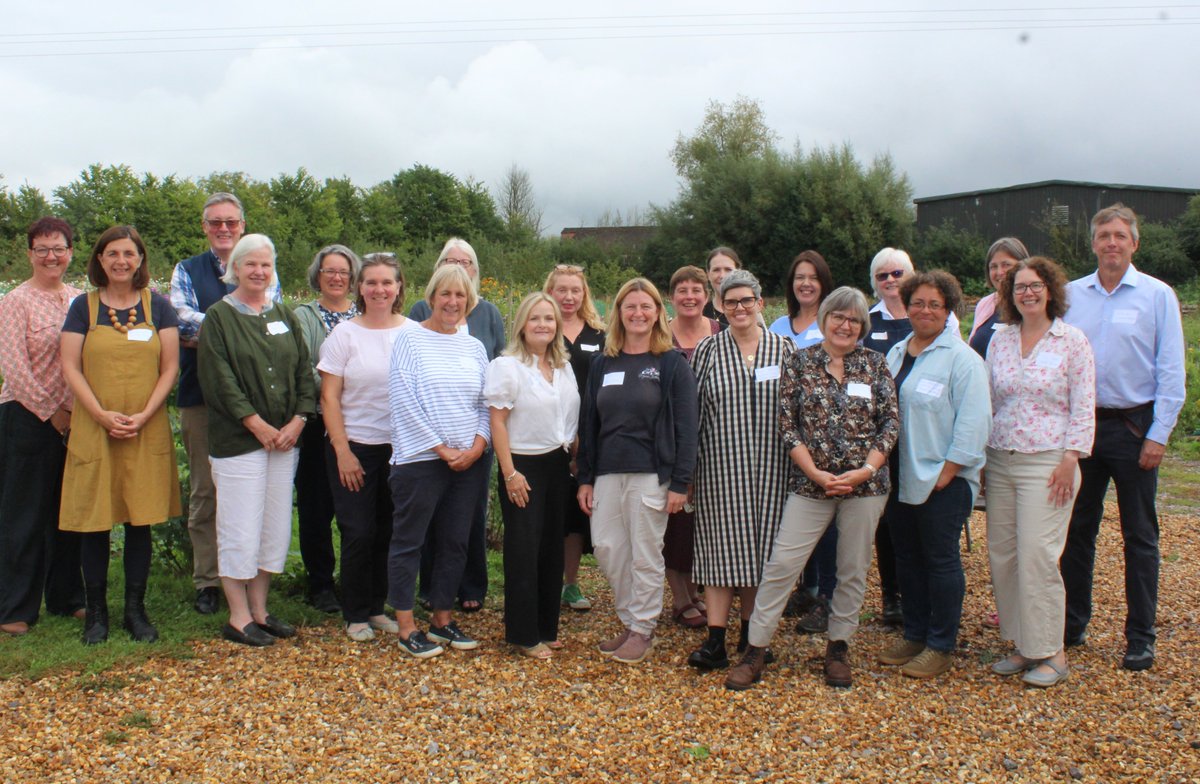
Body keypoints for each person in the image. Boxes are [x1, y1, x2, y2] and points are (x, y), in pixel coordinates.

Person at [724, 287, 897, 690]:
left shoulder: (875, 364)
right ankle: (756, 649)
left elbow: (890, 423)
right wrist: (817, 474)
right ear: (824, 320)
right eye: (838, 316)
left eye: (854, 319)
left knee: (852, 569)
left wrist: (865, 470)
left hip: (865, 488)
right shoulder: (800, 362)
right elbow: (787, 425)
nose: (845, 325)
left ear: (862, 326)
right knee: (783, 565)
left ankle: (838, 647)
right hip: (810, 485)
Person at [1061, 203, 1186, 672]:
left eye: (1120, 235)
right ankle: (1072, 624)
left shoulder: (1157, 296)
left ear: (1134, 243)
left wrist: (1160, 435)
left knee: (1140, 535)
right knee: (1077, 531)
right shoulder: (1073, 295)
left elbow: (1172, 371)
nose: (1111, 243)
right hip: (1083, 427)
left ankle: (1140, 636)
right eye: (1103, 235)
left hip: (1135, 427)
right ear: (1092, 243)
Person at [59, 226, 181, 645]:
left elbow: (169, 368)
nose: (121, 261)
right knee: (95, 521)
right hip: (96, 426)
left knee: (139, 518)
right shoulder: (83, 307)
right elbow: (71, 367)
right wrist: (100, 413)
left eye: (129, 253)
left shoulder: (158, 307)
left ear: (141, 260)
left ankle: (135, 610)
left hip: (145, 429)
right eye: (112, 253)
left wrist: (145, 414)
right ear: (99, 260)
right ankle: (96, 614)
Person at [198, 234, 315, 647]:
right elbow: (219, 380)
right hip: (240, 442)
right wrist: (257, 424)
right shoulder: (218, 317)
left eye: (266, 265)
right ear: (236, 269)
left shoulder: (283, 313)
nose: (259, 272)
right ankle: (237, 615)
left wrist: (299, 420)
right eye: (251, 264)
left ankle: (261, 609)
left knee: (273, 526)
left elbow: (304, 371)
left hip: (284, 441)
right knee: (240, 526)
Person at [576, 278, 698, 665]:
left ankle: (642, 629)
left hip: (651, 473)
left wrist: (681, 481)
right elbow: (588, 423)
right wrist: (585, 477)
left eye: (646, 306)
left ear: (658, 313)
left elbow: (686, 425)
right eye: (630, 306)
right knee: (609, 549)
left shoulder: (670, 362)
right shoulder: (603, 362)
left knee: (645, 554)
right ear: (618, 313)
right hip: (608, 472)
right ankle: (630, 621)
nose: (638, 313)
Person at [986, 257, 1095, 688]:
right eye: (1019, 287)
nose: (1027, 293)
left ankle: (1053, 651)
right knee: (1005, 557)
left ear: (1050, 289)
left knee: (1037, 556)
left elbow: (1085, 403)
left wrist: (1072, 457)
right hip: (1001, 459)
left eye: (1034, 285)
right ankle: (1022, 644)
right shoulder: (1002, 340)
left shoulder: (1072, 341)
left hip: (1049, 463)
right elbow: (991, 400)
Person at [171, 192, 281, 616]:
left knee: (258, 493)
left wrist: (214, 333)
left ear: (241, 224)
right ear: (205, 227)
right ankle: (207, 579)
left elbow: (272, 320)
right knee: (206, 490)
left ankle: (250, 577)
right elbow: (181, 319)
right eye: (215, 222)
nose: (223, 229)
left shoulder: (261, 261)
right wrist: (236, 328)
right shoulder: (187, 269)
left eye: (231, 222)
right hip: (202, 397)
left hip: (258, 402)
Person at [878, 271, 990, 679]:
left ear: (949, 311)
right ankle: (915, 632)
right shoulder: (895, 353)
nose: (925, 311)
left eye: (935, 305)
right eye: (918, 303)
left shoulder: (963, 361)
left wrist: (949, 472)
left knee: (940, 561)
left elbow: (975, 424)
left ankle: (941, 644)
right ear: (906, 307)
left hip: (943, 480)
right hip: (899, 478)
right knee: (907, 558)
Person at [688, 270, 793, 670]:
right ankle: (715, 640)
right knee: (719, 551)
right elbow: (693, 414)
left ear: (760, 304)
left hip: (772, 469)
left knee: (762, 554)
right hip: (719, 468)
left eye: (747, 301)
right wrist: (690, 473)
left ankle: (753, 638)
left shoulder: (783, 350)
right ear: (720, 306)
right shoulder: (708, 351)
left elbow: (795, 413)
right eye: (731, 302)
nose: (739, 308)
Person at [387, 264, 491, 658]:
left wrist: (479, 445)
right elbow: (403, 401)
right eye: (445, 295)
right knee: (409, 542)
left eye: (460, 296)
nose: (452, 302)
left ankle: (443, 619)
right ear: (431, 298)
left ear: (470, 302)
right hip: (420, 460)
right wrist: (441, 448)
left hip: (468, 462)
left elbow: (486, 402)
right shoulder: (409, 340)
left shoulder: (474, 347)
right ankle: (406, 626)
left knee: (455, 541)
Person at [318, 252, 412, 642]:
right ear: (360, 287)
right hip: (354, 445)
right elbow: (329, 397)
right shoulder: (344, 334)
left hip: (400, 449)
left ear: (399, 288)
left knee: (388, 530)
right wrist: (342, 450)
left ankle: (376, 606)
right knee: (357, 530)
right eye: (371, 282)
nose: (379, 289)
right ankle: (354, 611)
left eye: (386, 282)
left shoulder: (412, 332)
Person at [409, 238, 504, 614]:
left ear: (475, 270)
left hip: (477, 431)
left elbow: (498, 365)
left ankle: (472, 584)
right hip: (431, 436)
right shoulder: (420, 309)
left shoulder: (489, 312)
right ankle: (431, 586)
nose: (459, 266)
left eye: (466, 262)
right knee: (432, 516)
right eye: (450, 260)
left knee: (471, 512)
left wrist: (485, 436)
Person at [0, 217, 85, 636]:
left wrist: (76, 413)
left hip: (76, 420)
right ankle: (15, 607)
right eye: (43, 249)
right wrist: (52, 412)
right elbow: (13, 367)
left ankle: (67, 597)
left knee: (67, 512)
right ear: (30, 253)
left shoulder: (80, 300)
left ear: (71, 252)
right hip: (26, 418)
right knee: (24, 515)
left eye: (59, 248)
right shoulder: (16, 301)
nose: (52, 256)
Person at [486, 293, 580, 658]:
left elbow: (567, 418)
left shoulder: (563, 366)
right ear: (522, 324)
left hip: (557, 465)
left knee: (551, 548)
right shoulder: (507, 366)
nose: (543, 324)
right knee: (524, 550)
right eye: (535, 318)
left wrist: (575, 456)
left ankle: (546, 625)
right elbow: (497, 421)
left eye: (550, 319)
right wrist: (509, 473)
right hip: (522, 465)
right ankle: (524, 634)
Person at [768, 250, 839, 633]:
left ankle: (828, 597)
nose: (805, 283)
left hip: (824, 438)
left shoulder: (833, 323)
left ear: (823, 282)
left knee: (826, 520)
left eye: (812, 277)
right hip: (786, 434)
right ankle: (806, 587)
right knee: (794, 514)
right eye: (799, 277)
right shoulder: (779, 324)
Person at [293, 245, 362, 614]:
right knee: (316, 507)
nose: (337, 278)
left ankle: (359, 580)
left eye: (344, 272)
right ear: (317, 275)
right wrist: (336, 390)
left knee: (359, 507)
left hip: (364, 425)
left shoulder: (365, 314)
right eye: (329, 271)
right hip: (319, 422)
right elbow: (302, 366)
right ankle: (320, 583)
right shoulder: (304, 316)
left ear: (353, 279)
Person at [544, 264, 606, 612]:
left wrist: (587, 437)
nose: (568, 296)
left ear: (584, 295)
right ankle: (545, 580)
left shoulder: (599, 334)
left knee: (576, 514)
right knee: (550, 511)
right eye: (561, 290)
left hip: (588, 435)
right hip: (550, 437)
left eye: (575, 291)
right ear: (550, 291)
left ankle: (570, 582)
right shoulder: (541, 328)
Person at [860, 247, 917, 627]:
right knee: (886, 518)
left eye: (897, 274)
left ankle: (919, 592)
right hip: (880, 434)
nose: (891, 281)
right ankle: (892, 596)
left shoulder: (928, 312)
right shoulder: (868, 320)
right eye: (882, 276)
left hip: (922, 430)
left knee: (919, 514)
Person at [665, 265, 720, 629]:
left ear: (707, 296)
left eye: (696, 290)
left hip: (713, 438)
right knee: (674, 521)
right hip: (669, 439)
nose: (689, 296)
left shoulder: (720, 333)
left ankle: (695, 589)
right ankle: (680, 596)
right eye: (682, 290)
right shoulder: (660, 334)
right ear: (672, 297)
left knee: (701, 521)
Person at [968, 238, 1030, 359]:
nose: (999, 272)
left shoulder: (1032, 304)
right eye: (993, 266)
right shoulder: (985, 304)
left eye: (1006, 265)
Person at [701, 246, 740, 327]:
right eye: (716, 270)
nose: (722, 275)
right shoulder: (700, 312)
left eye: (728, 270)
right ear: (708, 274)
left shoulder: (749, 310)